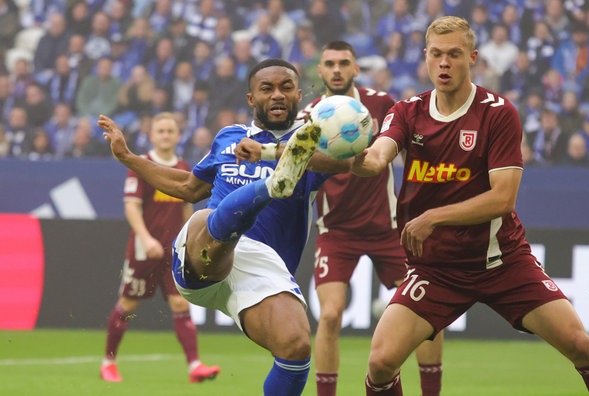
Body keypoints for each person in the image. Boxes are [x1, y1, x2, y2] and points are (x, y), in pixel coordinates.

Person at [352, 16, 589, 396]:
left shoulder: (498, 112)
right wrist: (352, 157)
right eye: (436, 54)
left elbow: (503, 198)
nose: (444, 63)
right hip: (437, 269)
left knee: (581, 346)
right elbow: (375, 159)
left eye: (454, 54)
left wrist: (433, 217)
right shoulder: (407, 111)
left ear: (473, 58)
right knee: (381, 362)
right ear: (425, 58)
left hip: (502, 262)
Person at [99, 58, 343, 396]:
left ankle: (268, 188)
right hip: (206, 249)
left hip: (263, 269)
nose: (277, 95)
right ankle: (271, 188)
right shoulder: (229, 137)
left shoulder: (310, 144)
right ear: (250, 98)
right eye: (267, 88)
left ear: (299, 95)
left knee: (297, 346)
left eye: (286, 88)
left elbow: (355, 163)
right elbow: (188, 187)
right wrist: (128, 157)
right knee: (206, 220)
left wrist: (273, 153)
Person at [297, 40, 443, 396]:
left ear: (355, 68)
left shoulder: (382, 104)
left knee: (429, 313)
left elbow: (412, 150)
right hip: (337, 232)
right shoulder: (311, 117)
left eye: (343, 63)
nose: (336, 70)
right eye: (329, 63)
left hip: (388, 230)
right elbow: (294, 164)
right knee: (330, 315)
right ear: (320, 70)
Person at [100, 112, 220, 383]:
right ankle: (108, 362)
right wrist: (146, 238)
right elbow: (132, 206)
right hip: (145, 249)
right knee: (129, 303)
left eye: (170, 131)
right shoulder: (142, 165)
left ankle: (194, 366)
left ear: (178, 136)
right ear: (152, 135)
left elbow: (187, 206)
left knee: (180, 303)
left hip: (174, 250)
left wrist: (192, 240)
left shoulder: (183, 166)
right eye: (161, 131)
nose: (166, 135)